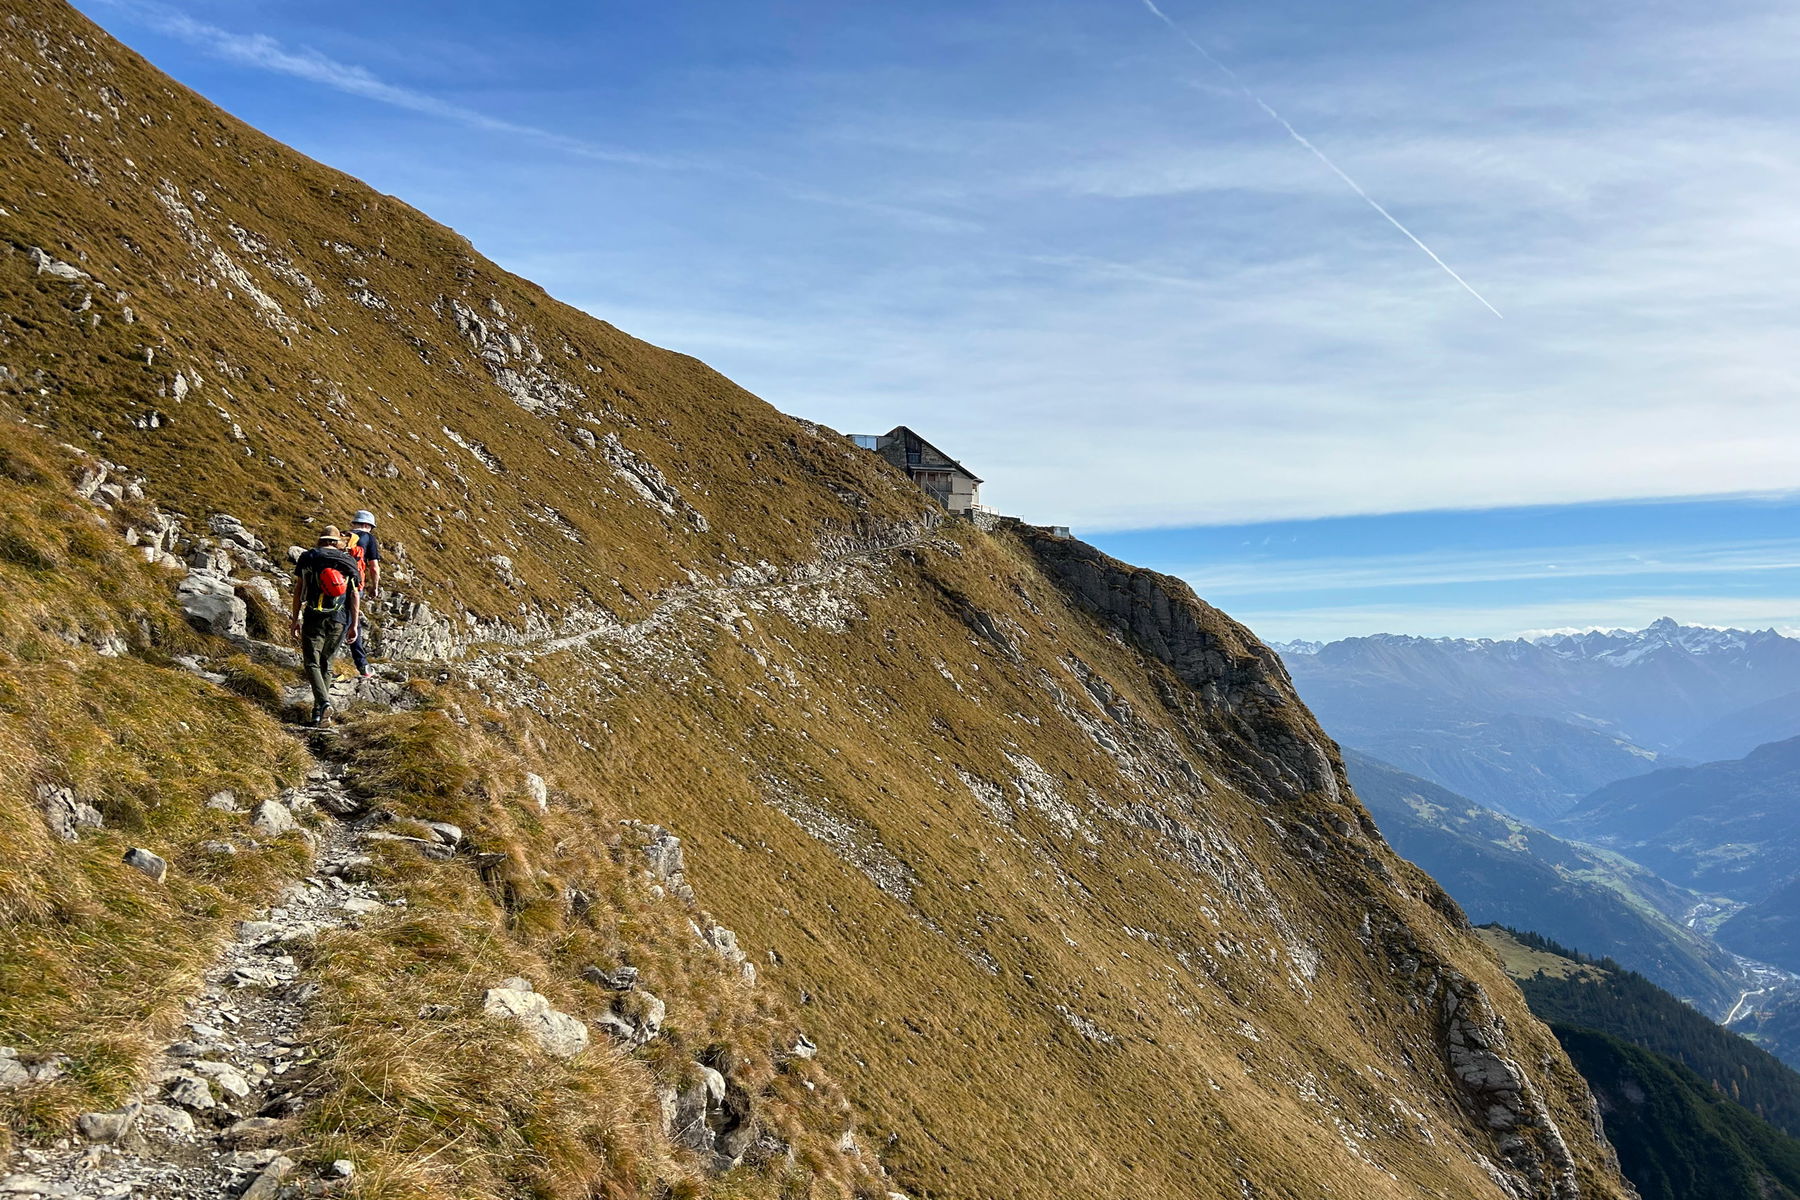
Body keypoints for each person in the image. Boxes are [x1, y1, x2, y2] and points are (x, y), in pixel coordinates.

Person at [290, 525, 362, 726]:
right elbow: (354, 594)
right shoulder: (349, 560)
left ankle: (323, 703)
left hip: (314, 615)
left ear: (320, 540)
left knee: (311, 662)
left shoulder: (308, 557)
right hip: (339, 618)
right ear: (336, 542)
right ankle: (318, 714)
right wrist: (353, 624)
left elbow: (299, 589)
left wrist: (295, 619)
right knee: (327, 663)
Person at [342, 509, 382, 678]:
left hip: (333, 583)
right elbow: (373, 567)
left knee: (339, 619)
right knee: (353, 622)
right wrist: (375, 586)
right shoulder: (368, 539)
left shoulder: (342, 537)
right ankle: (362, 665)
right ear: (367, 525)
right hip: (354, 585)